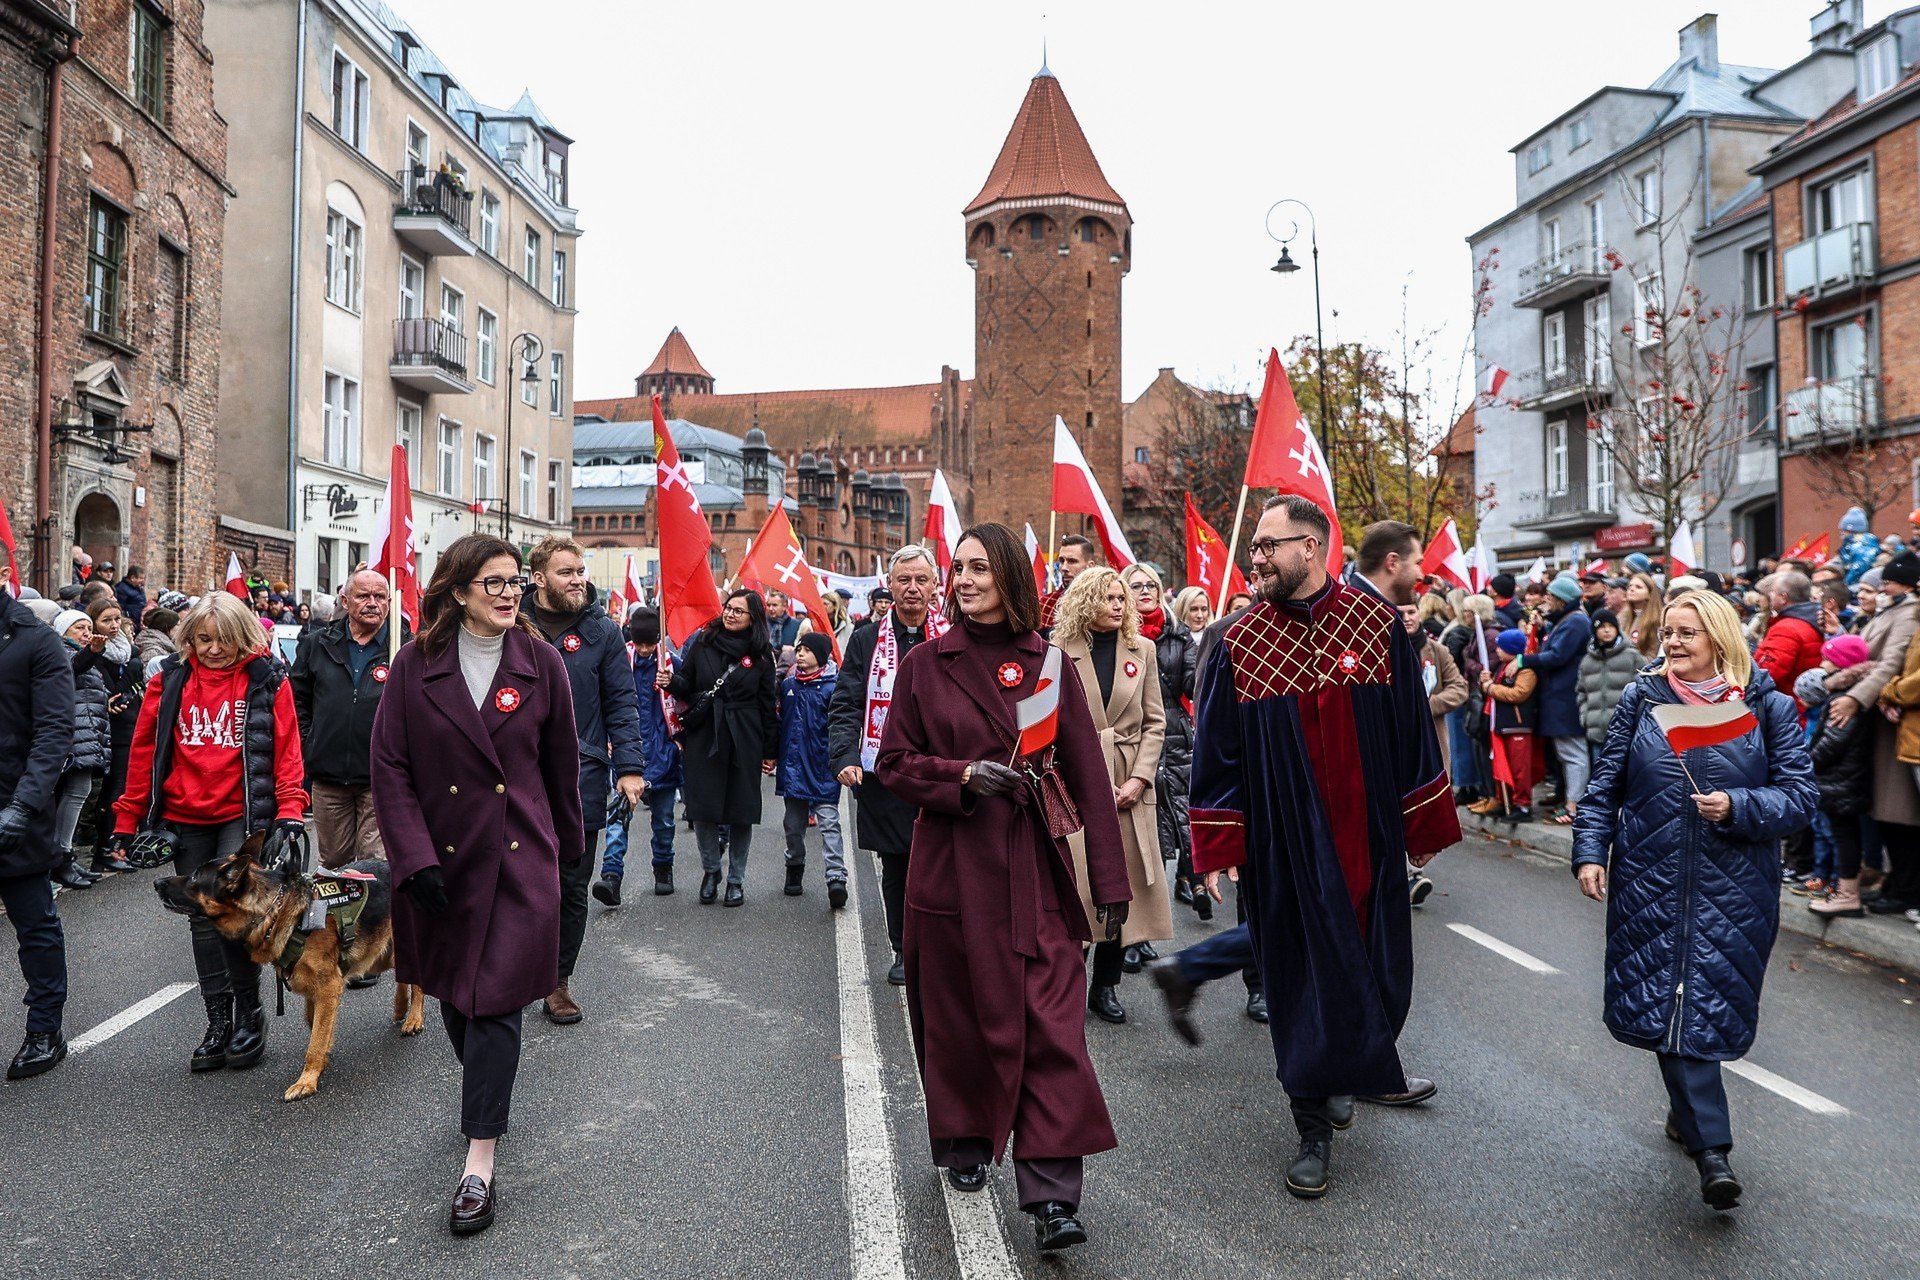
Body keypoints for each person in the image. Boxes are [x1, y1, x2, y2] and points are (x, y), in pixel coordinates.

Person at [1188, 494, 1459, 1200]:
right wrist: (1217, 847)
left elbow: (1409, 734)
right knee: (1301, 981)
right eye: (1254, 548)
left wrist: (1423, 825)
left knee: (1376, 976)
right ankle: (1310, 1124)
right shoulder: (1238, 643)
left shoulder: (1376, 628)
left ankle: (1347, 1068)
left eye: (1267, 546)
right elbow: (1216, 755)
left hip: (1368, 839)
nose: (1256, 559)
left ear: (1310, 547)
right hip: (1284, 848)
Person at [875, 521, 1131, 1253]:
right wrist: (960, 776)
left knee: (1053, 1029)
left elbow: (1086, 774)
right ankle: (961, 1141)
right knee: (954, 1022)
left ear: (1011, 576)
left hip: (1031, 875)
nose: (964, 580)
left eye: (980, 568)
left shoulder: (1047, 664)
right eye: (958, 568)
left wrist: (1109, 883)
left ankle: (1052, 1194)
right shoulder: (927, 664)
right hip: (949, 872)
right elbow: (895, 762)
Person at [1572, 589, 1816, 1212]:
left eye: (1689, 633)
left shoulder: (1768, 706)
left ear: (1719, 638)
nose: (1674, 644)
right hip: (1650, 880)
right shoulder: (1643, 698)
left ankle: (1690, 1116)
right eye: (1669, 633)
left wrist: (1740, 806)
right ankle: (1714, 1152)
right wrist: (1590, 852)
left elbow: (1799, 797)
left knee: (1700, 1000)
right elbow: (1603, 789)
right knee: (1666, 997)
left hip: (1735, 888)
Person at [369, 534, 583, 1235]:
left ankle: (478, 1163)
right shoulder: (414, 664)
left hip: (521, 859)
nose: (507, 592)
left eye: (514, 581)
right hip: (441, 861)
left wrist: (570, 854)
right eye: (491, 582)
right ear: (457, 591)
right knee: (458, 1002)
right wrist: (413, 858)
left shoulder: (542, 663)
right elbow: (391, 768)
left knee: (492, 1006)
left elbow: (561, 769)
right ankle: (488, 1094)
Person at [108, 592, 307, 1074]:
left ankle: (249, 1015)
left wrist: (291, 811)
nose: (213, 649)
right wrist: (127, 819)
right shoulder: (169, 681)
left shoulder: (267, 680)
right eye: (202, 639)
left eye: (223, 640)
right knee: (201, 917)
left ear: (242, 637)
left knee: (232, 914)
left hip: (243, 814)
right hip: (185, 813)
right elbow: (143, 755)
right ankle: (217, 1021)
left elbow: (287, 751)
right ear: (188, 638)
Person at [524, 537, 645, 1022]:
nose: (578, 579)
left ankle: (557, 982)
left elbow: (622, 701)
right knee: (518, 882)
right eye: (566, 572)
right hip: (514, 777)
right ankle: (513, 974)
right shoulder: (511, 621)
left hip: (582, 775)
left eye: (581, 570)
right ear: (538, 578)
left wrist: (631, 769)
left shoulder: (602, 631)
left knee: (572, 885)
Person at [1053, 567, 1170, 1024]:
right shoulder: (1059, 652)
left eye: (1123, 597)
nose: (1121, 604)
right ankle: (1069, 985)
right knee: (1080, 887)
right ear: (1086, 601)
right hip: (1077, 782)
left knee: (1124, 891)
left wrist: (1139, 780)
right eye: (1111, 597)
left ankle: (1106, 988)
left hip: (1127, 785)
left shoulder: (1143, 650)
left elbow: (1155, 722)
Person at [830, 547, 947, 983]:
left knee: (940, 863)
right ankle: (904, 949)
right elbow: (845, 701)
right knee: (897, 865)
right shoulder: (866, 639)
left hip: (941, 771)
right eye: (904, 580)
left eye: (921, 579)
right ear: (891, 586)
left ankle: (939, 948)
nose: (912, 588)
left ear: (935, 585)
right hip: (886, 772)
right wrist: (843, 755)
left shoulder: (954, 635)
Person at [0, 586, 73, 1078]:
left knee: (35, 926)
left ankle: (45, 1028)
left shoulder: (35, 640)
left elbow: (53, 731)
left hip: (13, 809)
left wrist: (22, 806)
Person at [664, 588, 777, 906]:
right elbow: (686, 683)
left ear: (752, 618)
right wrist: (670, 681)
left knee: (741, 811)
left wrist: (771, 750)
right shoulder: (703, 641)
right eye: (728, 608)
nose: (729, 614)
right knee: (704, 809)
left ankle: (736, 880)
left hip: (745, 736)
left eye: (738, 611)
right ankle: (711, 870)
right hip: (706, 735)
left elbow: (768, 704)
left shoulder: (761, 653)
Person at [291, 568, 406, 873]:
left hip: (379, 777)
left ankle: (370, 923)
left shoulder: (403, 647)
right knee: (333, 866)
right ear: (344, 599)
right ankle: (336, 922)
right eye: (363, 595)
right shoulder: (318, 644)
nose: (373, 603)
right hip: (328, 778)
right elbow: (297, 699)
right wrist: (310, 740)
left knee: (375, 866)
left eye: (380, 596)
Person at [1834, 551, 1920, 914]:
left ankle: (1905, 890)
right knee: (1887, 813)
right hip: (1882, 719)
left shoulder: (1909, 613)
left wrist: (1857, 697)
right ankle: (1898, 885)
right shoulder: (1891, 611)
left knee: (1899, 813)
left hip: (1893, 721)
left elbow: (1891, 664)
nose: (1882, 587)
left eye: (1888, 580)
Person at [595, 606, 683, 903]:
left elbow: (691, 696)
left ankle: (663, 868)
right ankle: (611, 875)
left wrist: (674, 684)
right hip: (625, 753)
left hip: (663, 753)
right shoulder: (619, 661)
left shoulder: (671, 664)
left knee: (664, 821)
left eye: (649, 643)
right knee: (618, 818)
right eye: (640, 643)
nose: (644, 650)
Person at [1800, 635, 1874, 917]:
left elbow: (1833, 740)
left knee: (1843, 835)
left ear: (1842, 665)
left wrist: (1806, 762)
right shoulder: (1845, 694)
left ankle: (1847, 895)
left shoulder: (1846, 700)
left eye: (1827, 658)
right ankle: (1843, 891)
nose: (1822, 663)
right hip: (1841, 777)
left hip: (1842, 778)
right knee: (1842, 833)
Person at [1404, 602, 1467, 905]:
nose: (1407, 619)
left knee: (1424, 804)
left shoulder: (1436, 651)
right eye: (1400, 613)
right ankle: (1407, 873)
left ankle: (1415, 870)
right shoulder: (1381, 646)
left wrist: (1427, 706)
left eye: (1411, 612)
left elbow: (1459, 688)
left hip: (1430, 742)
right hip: (1395, 744)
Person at [1515, 577, 1593, 823]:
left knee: (1574, 754)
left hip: (1567, 697)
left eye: (1550, 596)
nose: (1546, 600)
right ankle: (1569, 799)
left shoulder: (1577, 622)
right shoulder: (1567, 620)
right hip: (1559, 696)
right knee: (1565, 753)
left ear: (1561, 599)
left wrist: (1523, 661)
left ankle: (1575, 805)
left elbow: (1557, 655)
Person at [775, 632, 845, 904]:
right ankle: (794, 867)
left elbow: (840, 727)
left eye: (806, 650)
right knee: (793, 826)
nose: (800, 654)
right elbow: (780, 722)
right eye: (799, 649)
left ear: (822, 655)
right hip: (793, 769)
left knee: (829, 824)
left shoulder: (833, 687)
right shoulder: (789, 685)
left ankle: (836, 877)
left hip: (822, 768)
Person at [48, 610, 111, 890]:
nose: (86, 632)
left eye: (88, 627)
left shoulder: (82, 653)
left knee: (79, 792)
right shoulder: (60, 651)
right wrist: (93, 652)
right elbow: (71, 670)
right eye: (79, 627)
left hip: (86, 736)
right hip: (71, 737)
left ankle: (66, 854)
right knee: (74, 793)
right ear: (63, 631)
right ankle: (61, 855)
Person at [1160, 587, 1208, 913]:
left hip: (1182, 734)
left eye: (1206, 609)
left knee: (1184, 810)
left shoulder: (1191, 642)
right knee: (1151, 823)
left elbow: (1194, 685)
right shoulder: (1157, 638)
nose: (1201, 615)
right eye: (1195, 609)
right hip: (1144, 735)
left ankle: (1190, 878)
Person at [1473, 629, 1539, 821]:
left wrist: (1490, 687)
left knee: (1520, 769)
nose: (1497, 651)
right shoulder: (1502, 667)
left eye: (1501, 647)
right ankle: (1506, 801)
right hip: (1503, 725)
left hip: (1518, 726)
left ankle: (1523, 806)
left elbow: (1518, 693)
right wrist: (1485, 683)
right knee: (1504, 767)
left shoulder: (1526, 670)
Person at [1577, 610, 1640, 765]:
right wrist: (1585, 716)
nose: (1606, 630)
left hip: (1625, 731)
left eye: (1611, 626)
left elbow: (1643, 688)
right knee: (1600, 776)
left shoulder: (1632, 656)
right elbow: (1581, 692)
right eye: (1602, 626)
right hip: (1597, 733)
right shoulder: (1587, 661)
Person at [1753, 571, 1824, 705]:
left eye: (1773, 592)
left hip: (1790, 707)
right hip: (1806, 703)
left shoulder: (1785, 629)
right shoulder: (1815, 618)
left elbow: (1767, 673)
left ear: (1784, 597)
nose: (1770, 595)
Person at [1041, 534, 1099, 627]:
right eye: (1061, 560)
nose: (1064, 567)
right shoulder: (1045, 604)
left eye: (1072, 561)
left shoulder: (1103, 603)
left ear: (1090, 566)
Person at [1624, 573, 1664, 660]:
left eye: (1638, 587)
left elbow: (1653, 656)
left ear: (1649, 594)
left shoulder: (1657, 620)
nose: (1632, 589)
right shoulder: (1622, 617)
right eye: (1629, 586)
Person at [765, 590, 803, 676]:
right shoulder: (761, 623)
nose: (770, 608)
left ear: (785, 606)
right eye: (768, 605)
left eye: (774, 605)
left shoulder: (796, 625)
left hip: (786, 672)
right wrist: (780, 647)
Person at [135, 605, 180, 677]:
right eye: (177, 625)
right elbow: (150, 681)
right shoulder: (152, 651)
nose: (180, 628)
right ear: (167, 627)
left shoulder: (163, 645)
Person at [114, 565, 147, 630]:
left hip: (138, 622)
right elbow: (120, 607)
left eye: (143, 578)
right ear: (132, 578)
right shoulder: (122, 589)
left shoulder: (139, 588)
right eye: (140, 578)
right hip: (130, 623)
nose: (142, 581)